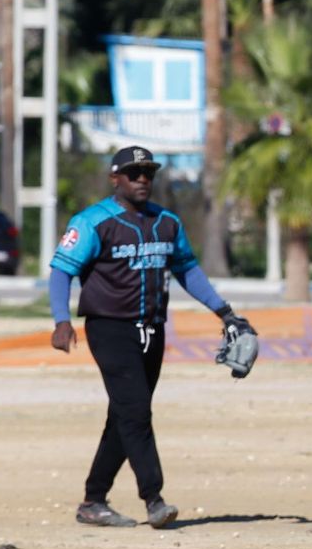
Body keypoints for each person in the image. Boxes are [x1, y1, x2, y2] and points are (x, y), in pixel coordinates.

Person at [49, 145, 254, 529]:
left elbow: (188, 271)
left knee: (125, 415)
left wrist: (225, 312)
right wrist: (62, 320)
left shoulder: (167, 223)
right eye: (133, 172)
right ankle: (154, 498)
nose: (142, 179)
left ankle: (93, 500)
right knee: (137, 411)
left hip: (152, 328)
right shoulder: (93, 221)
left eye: (148, 173)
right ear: (116, 178)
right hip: (109, 327)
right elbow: (61, 270)